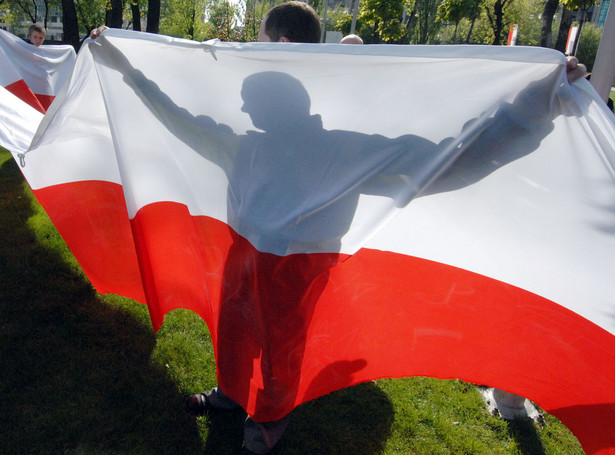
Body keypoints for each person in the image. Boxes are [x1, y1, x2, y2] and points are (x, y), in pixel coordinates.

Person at [89, 4, 587, 455]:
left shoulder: (342, 151)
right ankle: (229, 396)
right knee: (236, 331)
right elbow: (176, 118)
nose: (242, 109)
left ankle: (266, 425)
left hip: (297, 269)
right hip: (243, 256)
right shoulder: (243, 143)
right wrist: (128, 70)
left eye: (250, 100)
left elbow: (451, 158)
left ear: (280, 105)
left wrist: (535, 103)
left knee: (282, 352)